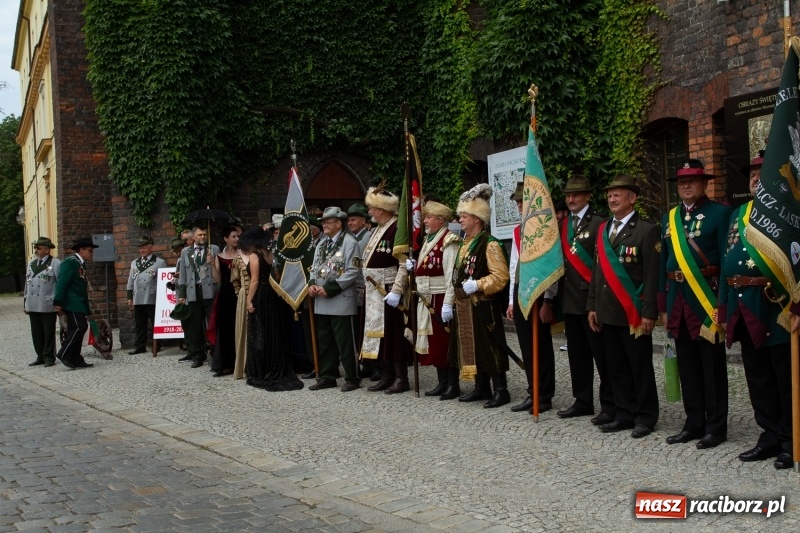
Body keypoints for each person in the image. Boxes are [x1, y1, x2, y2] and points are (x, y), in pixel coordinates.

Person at [719, 151, 800, 469]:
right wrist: (723, 310)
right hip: (742, 306)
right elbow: (727, 262)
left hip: (776, 307)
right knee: (758, 377)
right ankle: (768, 436)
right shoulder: (738, 214)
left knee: (784, 379)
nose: (755, 177)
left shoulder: (791, 212)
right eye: (752, 173)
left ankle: (789, 440)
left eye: (762, 172)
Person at [659, 159, 732, 449]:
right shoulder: (670, 218)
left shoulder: (720, 214)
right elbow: (664, 263)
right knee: (687, 365)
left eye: (692, 180)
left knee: (711, 366)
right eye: (682, 181)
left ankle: (716, 426)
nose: (686, 185)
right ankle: (693, 422)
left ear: (704, 184)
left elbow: (726, 263)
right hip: (677, 299)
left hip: (706, 299)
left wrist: (723, 305)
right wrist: (663, 304)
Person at [587, 174, 659, 438]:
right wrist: (592, 305)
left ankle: (646, 416)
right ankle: (625, 412)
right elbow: (597, 272)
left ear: (633, 198)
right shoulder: (603, 228)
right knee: (615, 367)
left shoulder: (646, 230)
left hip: (633, 313)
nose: (612, 198)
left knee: (639, 367)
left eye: (618, 194)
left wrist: (649, 311)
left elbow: (652, 275)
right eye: (609, 194)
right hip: (607, 311)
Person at [556, 175, 614, 423]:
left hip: (592, 301)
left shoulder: (600, 222)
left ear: (588, 196)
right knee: (577, 355)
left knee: (602, 356)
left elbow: (603, 265)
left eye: (576, 195)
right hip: (570, 300)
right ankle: (582, 400)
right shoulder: (563, 224)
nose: (571, 199)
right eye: (568, 195)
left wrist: (597, 302)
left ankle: (609, 404)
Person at [446, 183, 511, 408]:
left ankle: (501, 390)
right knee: (473, 348)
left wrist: (480, 284)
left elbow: (501, 277)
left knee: (490, 347)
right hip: (465, 305)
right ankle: (481, 387)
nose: (461, 220)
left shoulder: (490, 244)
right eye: (461, 216)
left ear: (477, 219)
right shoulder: (465, 243)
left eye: (465, 216)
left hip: (483, 304)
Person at [505, 182, 558, 413]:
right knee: (527, 345)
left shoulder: (543, 228)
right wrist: (510, 300)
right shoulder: (518, 230)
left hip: (538, 292)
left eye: (521, 201)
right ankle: (532, 389)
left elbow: (550, 268)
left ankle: (544, 394)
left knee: (542, 346)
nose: (519, 205)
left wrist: (548, 300)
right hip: (520, 291)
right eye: (517, 202)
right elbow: (513, 266)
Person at [405, 198, 460, 397]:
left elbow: (450, 275)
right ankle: (441, 381)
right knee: (434, 343)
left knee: (444, 342)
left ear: (441, 219)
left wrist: (448, 303)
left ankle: (453, 384)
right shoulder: (428, 239)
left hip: (439, 296)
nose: (425, 221)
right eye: (425, 217)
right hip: (426, 296)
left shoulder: (449, 240)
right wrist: (414, 268)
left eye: (428, 217)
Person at [361, 183, 412, 394]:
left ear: (381, 210)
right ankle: (385, 374)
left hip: (388, 289)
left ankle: (401, 378)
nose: (370, 212)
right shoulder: (378, 229)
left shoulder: (396, 229)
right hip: (373, 290)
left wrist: (397, 290)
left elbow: (403, 263)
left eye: (372, 208)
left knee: (393, 335)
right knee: (379, 336)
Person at [307, 207, 362, 391]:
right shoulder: (322, 243)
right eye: (323, 222)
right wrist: (313, 283)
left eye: (327, 222)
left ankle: (352, 377)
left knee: (345, 341)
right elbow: (314, 267)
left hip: (340, 298)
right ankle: (327, 375)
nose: (324, 225)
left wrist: (329, 289)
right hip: (321, 299)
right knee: (325, 340)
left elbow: (352, 271)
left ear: (339, 224)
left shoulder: (349, 242)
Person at [243, 227, 303, 391]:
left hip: (261, 294)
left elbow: (254, 281)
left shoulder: (255, 256)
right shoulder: (269, 254)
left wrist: (249, 300)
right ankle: (273, 363)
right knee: (273, 329)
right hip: (272, 293)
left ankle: (264, 368)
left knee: (261, 330)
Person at [175, 226, 220, 368]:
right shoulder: (185, 252)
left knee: (212, 323)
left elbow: (219, 272)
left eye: (204, 235)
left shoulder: (213, 249)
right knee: (194, 325)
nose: (203, 237)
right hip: (193, 291)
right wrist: (182, 294)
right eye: (200, 235)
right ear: (193, 237)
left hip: (210, 291)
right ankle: (197, 355)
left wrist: (212, 262)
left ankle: (215, 352)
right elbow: (182, 274)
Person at [53, 237, 99, 369]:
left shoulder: (80, 263)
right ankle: (64, 353)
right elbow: (62, 283)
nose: (91, 253)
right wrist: (58, 302)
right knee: (80, 327)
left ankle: (76, 357)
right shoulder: (70, 262)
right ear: (82, 250)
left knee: (77, 328)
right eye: (89, 250)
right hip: (71, 301)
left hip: (78, 301)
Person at [126, 236, 166, 355]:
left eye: (144, 247)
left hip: (152, 297)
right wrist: (129, 297)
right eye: (140, 248)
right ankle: (140, 345)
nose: (142, 250)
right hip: (138, 297)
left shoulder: (159, 262)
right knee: (140, 323)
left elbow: (163, 282)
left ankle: (157, 344)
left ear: (151, 247)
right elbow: (130, 280)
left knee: (154, 322)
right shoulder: (134, 263)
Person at [24, 237, 61, 367]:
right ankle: (40, 355)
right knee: (36, 332)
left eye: (38, 248)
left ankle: (49, 357)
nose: (36, 250)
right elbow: (27, 284)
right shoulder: (32, 263)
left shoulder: (55, 263)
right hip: (33, 302)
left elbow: (60, 283)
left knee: (48, 332)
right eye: (35, 247)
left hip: (47, 303)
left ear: (46, 250)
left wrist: (58, 302)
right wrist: (25, 302)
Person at [209, 226, 241, 377]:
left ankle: (240, 362)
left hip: (239, 294)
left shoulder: (243, 254)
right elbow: (218, 279)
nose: (236, 239)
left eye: (237, 236)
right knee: (226, 328)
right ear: (226, 239)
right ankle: (226, 363)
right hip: (225, 295)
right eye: (233, 236)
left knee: (239, 327)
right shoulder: (219, 257)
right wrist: (211, 266)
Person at [231, 235, 251, 380]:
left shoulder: (260, 256)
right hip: (245, 296)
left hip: (260, 296)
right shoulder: (237, 259)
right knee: (245, 330)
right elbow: (235, 281)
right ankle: (244, 365)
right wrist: (241, 296)